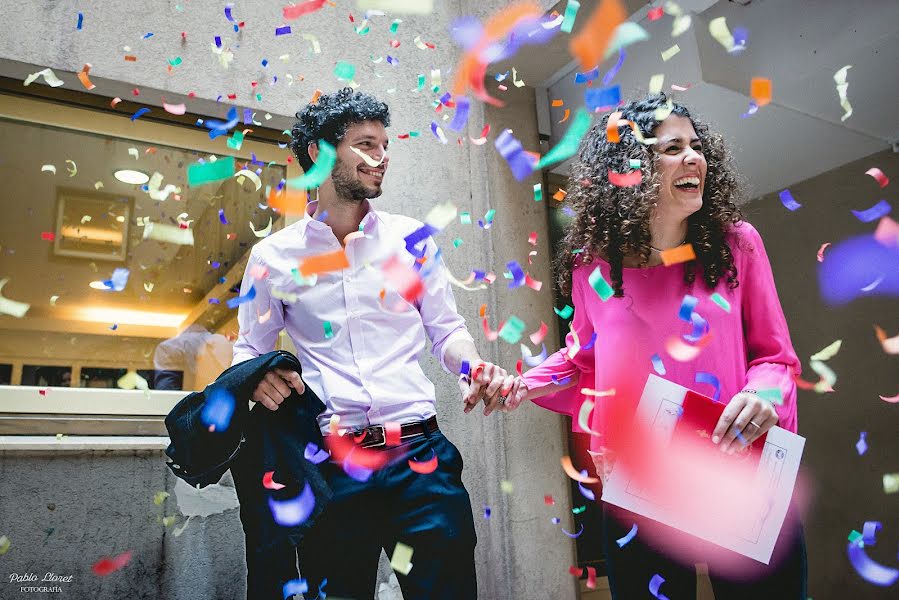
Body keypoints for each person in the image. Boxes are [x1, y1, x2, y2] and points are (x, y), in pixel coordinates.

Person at [504, 94, 807, 598]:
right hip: (642, 484)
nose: (694, 157)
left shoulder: (739, 243)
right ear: (632, 170)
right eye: (672, 148)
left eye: (696, 146)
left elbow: (776, 358)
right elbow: (583, 361)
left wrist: (764, 398)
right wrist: (520, 384)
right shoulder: (589, 267)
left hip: (740, 473)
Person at [231, 88, 513, 600]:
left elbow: (446, 331)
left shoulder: (413, 241)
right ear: (319, 151)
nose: (381, 157)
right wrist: (257, 381)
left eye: (385, 146)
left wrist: (473, 367)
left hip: (420, 461)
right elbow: (246, 350)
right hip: (331, 470)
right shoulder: (273, 257)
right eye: (366, 144)